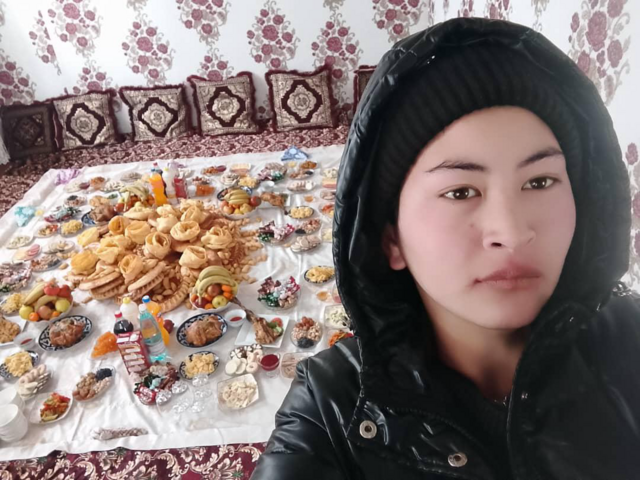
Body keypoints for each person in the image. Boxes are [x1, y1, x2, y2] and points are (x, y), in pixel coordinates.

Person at [251, 17, 639, 480]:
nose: (512, 232)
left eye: (539, 182)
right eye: (460, 191)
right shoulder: (330, 412)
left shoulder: (628, 342)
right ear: (391, 239)